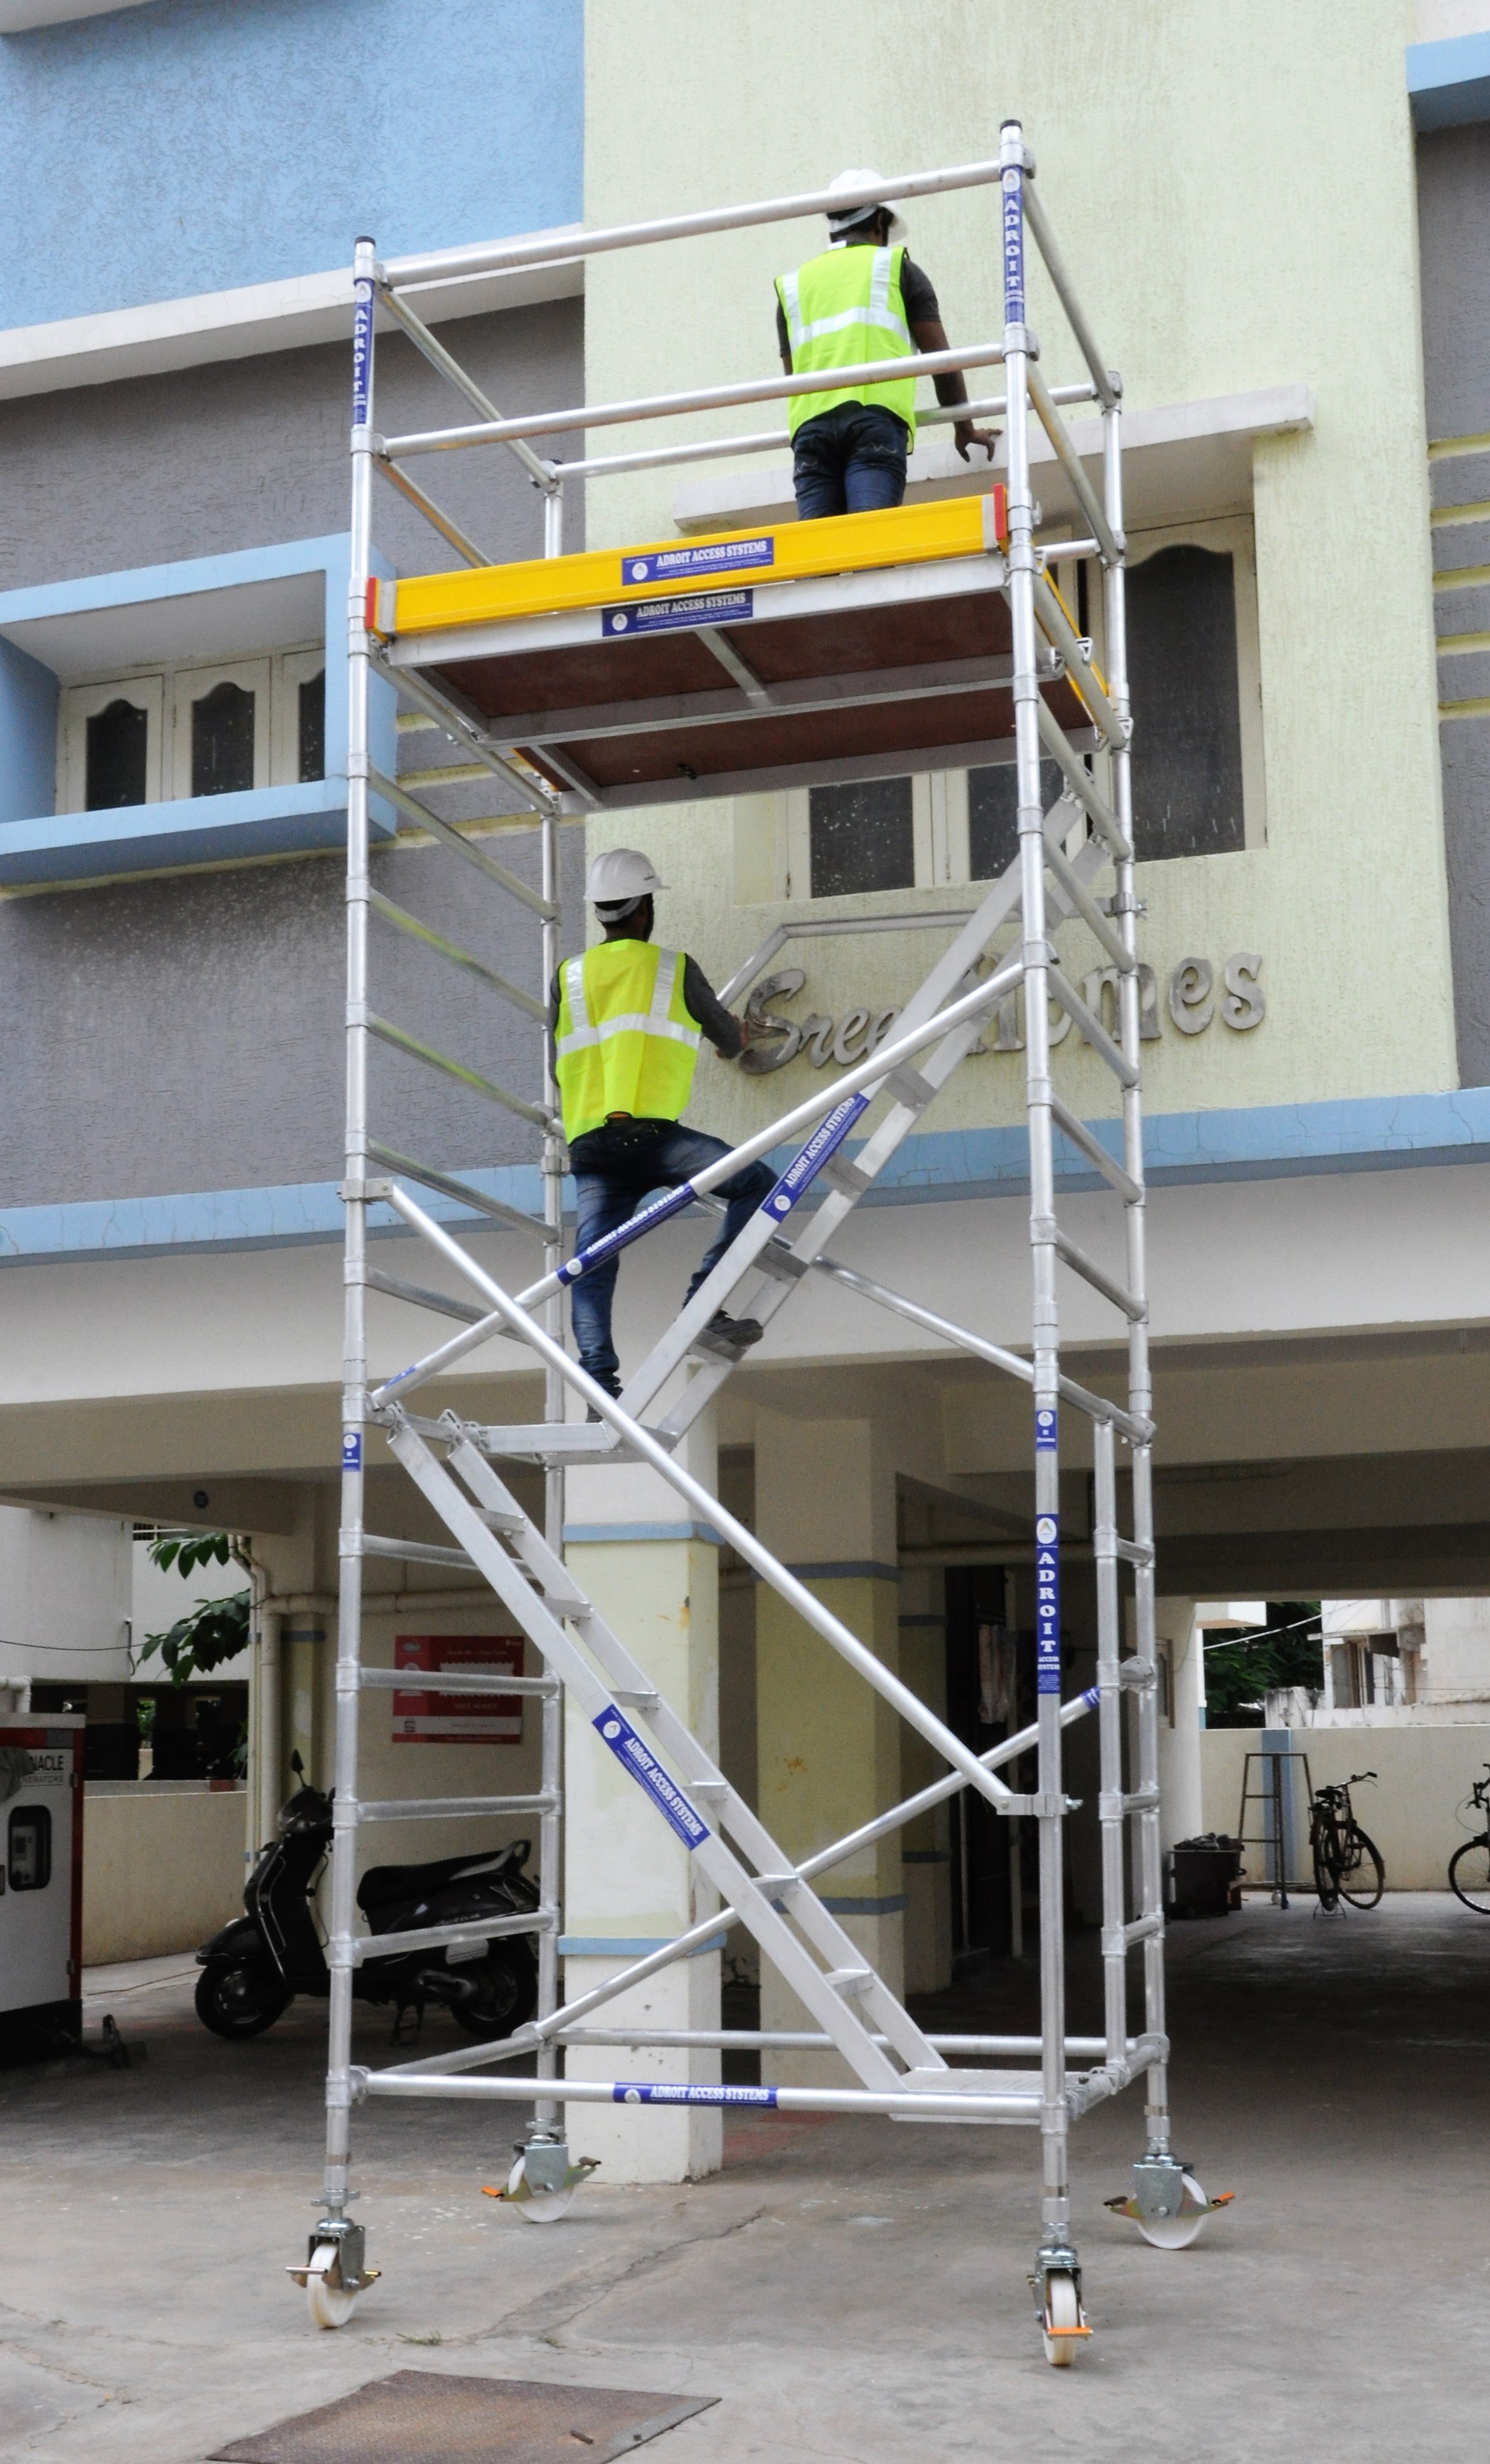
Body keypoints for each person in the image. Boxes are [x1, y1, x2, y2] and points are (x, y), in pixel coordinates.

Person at [553, 848, 778, 1402]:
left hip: (588, 1144)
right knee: (755, 1183)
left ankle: (599, 1388)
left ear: (601, 913)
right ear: (644, 909)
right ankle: (704, 1307)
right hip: (653, 1138)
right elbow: (727, 1040)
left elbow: (557, 1065)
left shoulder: (570, 975)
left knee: (592, 1264)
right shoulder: (672, 967)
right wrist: (738, 1037)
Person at [775, 168, 1000, 521]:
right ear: (880, 220)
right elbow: (942, 362)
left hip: (812, 431)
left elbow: (794, 377)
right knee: (871, 546)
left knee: (820, 562)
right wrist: (963, 427)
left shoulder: (793, 286)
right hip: (873, 424)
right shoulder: (898, 269)